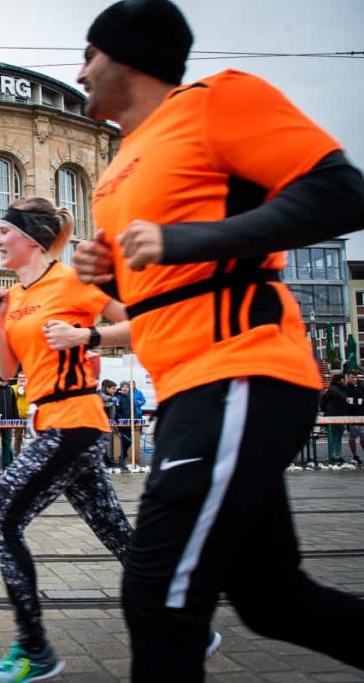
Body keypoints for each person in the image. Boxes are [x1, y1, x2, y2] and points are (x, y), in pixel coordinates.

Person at [74, 1, 364, 678]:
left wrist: (185, 239)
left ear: (128, 57)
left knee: (157, 596)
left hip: (241, 370)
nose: (80, 70)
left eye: (90, 54)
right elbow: (157, 300)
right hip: (183, 388)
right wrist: (109, 280)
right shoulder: (117, 171)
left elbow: (341, 192)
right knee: (273, 601)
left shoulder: (215, 102)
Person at [0, 197, 134, 682]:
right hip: (49, 422)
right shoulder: (16, 294)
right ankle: (184, 623)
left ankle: (34, 649)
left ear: (31, 238)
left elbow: (146, 325)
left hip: (75, 419)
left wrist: (86, 339)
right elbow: (6, 373)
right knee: (119, 536)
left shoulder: (74, 281)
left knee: (1, 522)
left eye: (3, 231)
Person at [320, 373, 350, 467]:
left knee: (338, 436)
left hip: (341, 416)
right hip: (332, 416)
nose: (346, 380)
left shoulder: (343, 388)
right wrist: (346, 397)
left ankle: (337, 455)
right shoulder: (333, 388)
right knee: (334, 436)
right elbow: (340, 395)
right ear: (340, 380)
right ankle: (333, 455)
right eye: (345, 379)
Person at [11, 373, 32, 457]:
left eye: (24, 377)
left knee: (29, 437)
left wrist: (26, 387)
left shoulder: (30, 387)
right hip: (18, 417)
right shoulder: (13, 387)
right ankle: (17, 453)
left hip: (28, 417)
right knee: (17, 437)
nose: (22, 379)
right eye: (20, 377)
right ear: (17, 379)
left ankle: (29, 454)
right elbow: (12, 399)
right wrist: (18, 388)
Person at [345, 371, 364, 465]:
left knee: (363, 435)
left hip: (362, 414)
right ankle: (355, 455)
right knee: (352, 436)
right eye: (351, 377)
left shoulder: (362, 385)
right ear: (348, 378)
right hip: (350, 415)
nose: (353, 379)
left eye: (354, 377)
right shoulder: (346, 387)